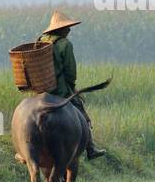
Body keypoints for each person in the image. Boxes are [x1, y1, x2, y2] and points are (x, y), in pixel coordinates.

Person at [38, 10, 106, 159]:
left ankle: (21, 152)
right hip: (60, 91)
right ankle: (91, 147)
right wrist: (72, 86)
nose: (69, 30)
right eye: (66, 27)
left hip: (40, 90)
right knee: (81, 110)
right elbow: (70, 72)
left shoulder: (41, 40)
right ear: (60, 29)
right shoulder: (65, 44)